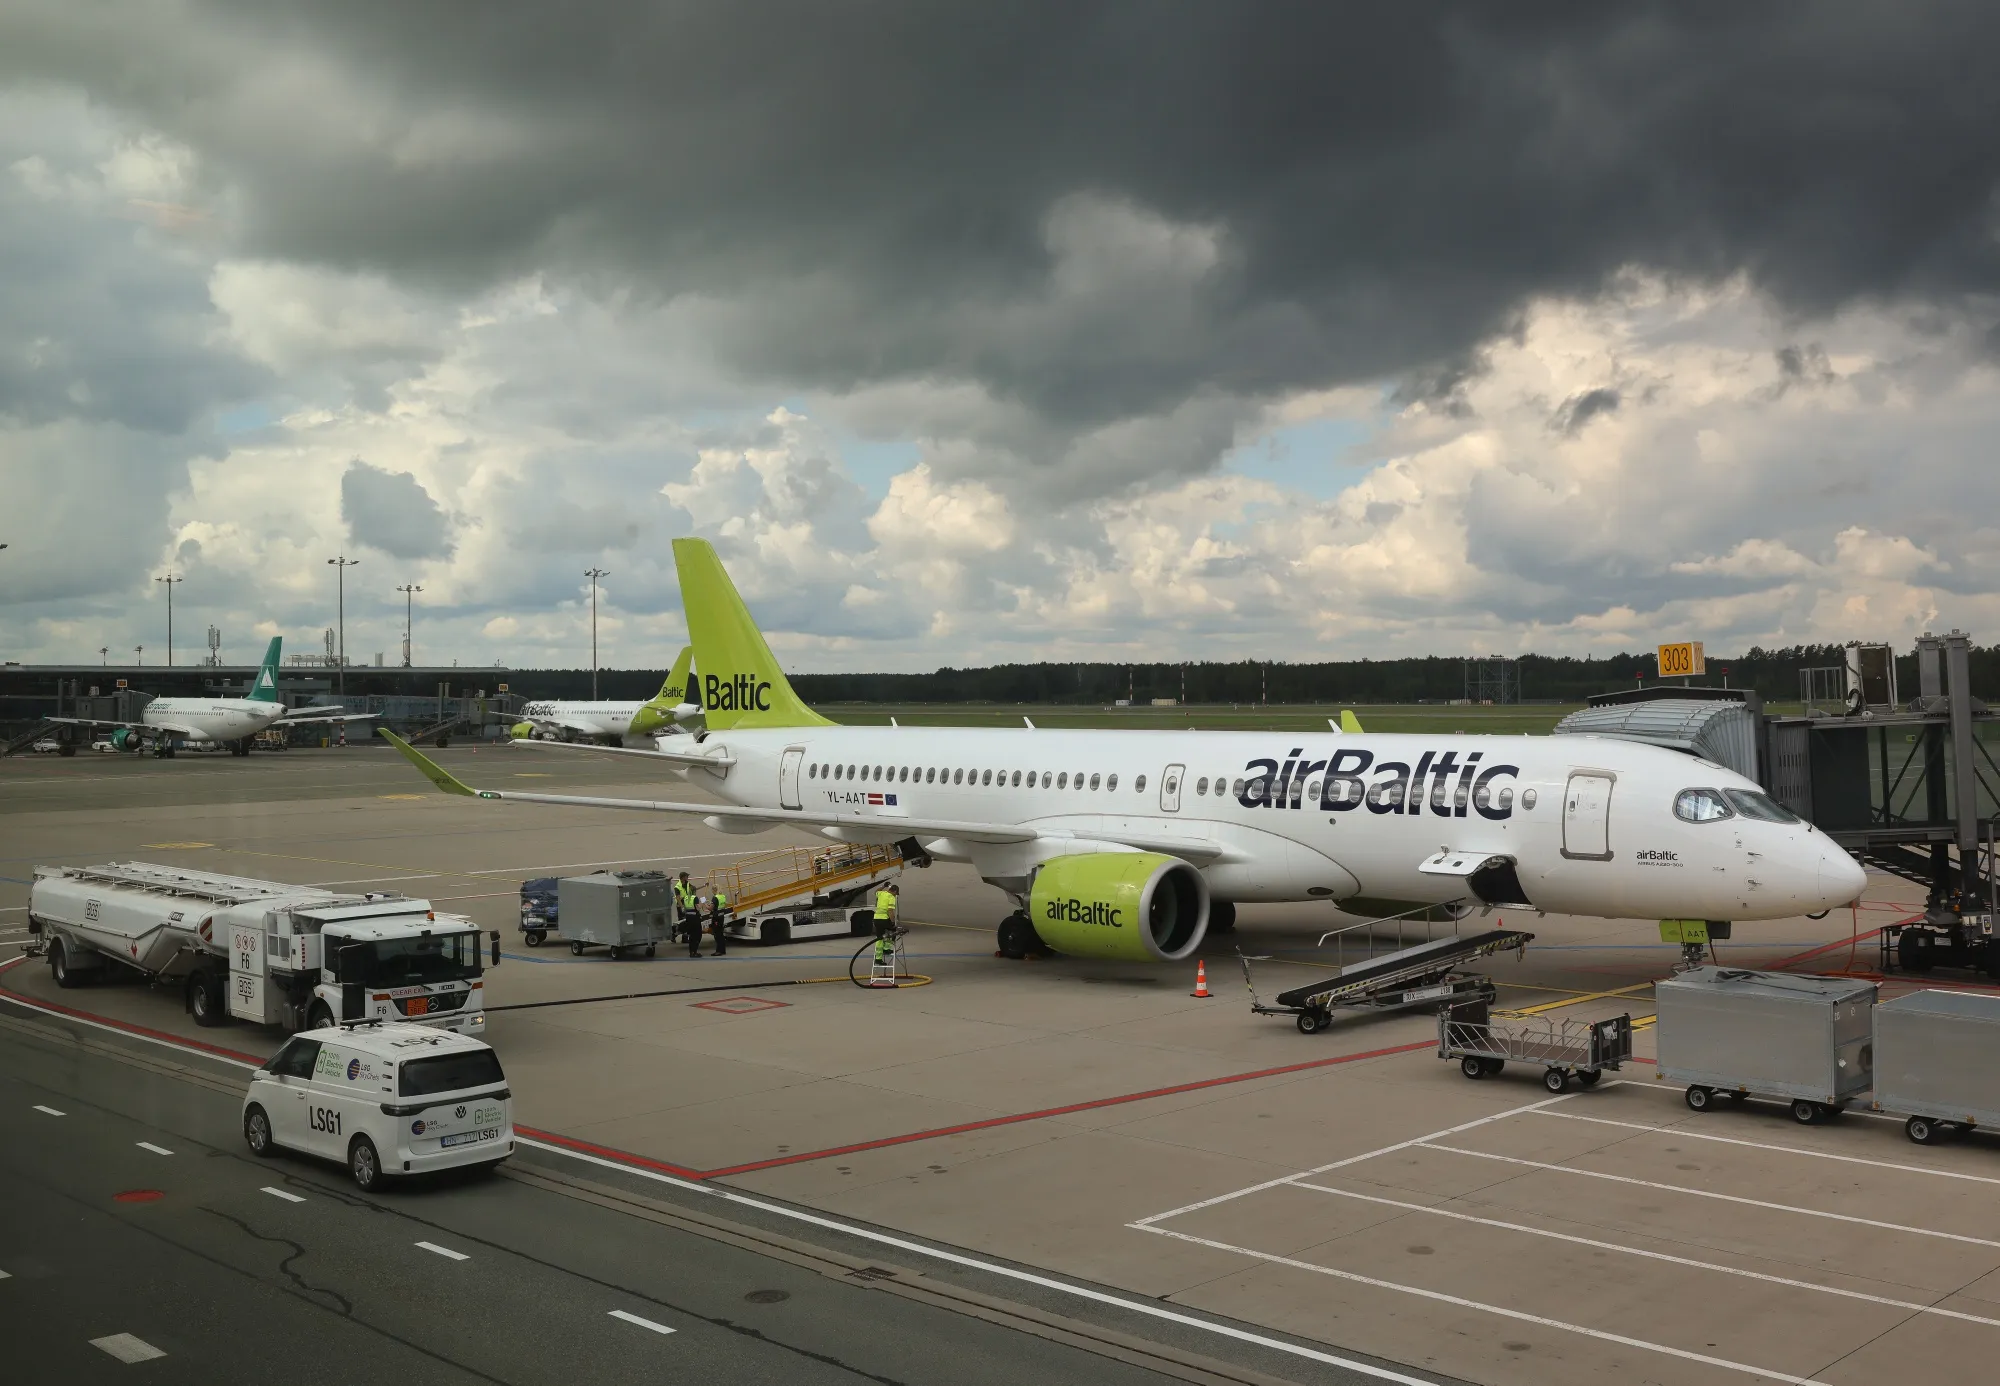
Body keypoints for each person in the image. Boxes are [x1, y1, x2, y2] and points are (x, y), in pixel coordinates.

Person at [675, 871, 702, 958]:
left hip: (688, 913)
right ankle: (679, 936)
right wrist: (682, 907)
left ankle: (691, 951)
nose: (687, 878)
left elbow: (693, 888)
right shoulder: (678, 887)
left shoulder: (687, 895)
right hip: (691, 915)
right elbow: (678, 898)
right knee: (697, 935)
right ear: (683, 877)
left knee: (690, 931)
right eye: (686, 876)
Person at [708, 885, 730, 956]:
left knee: (717, 935)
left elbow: (710, 908)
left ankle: (718, 951)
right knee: (721, 933)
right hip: (721, 916)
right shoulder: (723, 896)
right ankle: (723, 950)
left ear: (714, 890)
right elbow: (724, 905)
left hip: (716, 917)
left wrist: (705, 904)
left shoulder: (715, 898)